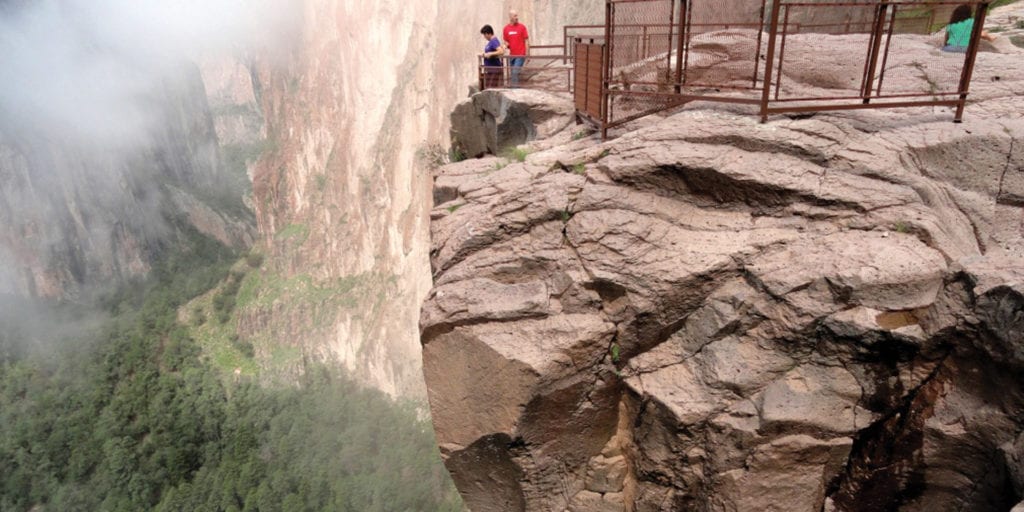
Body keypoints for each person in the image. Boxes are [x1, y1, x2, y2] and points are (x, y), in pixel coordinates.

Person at [503, 10, 529, 87]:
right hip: (512, 55)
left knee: (515, 72)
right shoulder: (506, 29)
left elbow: (526, 41)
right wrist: (505, 45)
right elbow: (506, 41)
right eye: (515, 16)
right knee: (513, 73)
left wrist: (527, 54)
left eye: (517, 15)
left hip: (521, 54)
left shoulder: (522, 27)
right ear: (510, 17)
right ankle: (515, 88)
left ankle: (515, 91)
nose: (517, 18)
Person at [480, 25, 504, 89]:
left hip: (494, 69)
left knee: (491, 88)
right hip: (490, 70)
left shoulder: (494, 41)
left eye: (484, 35)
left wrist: (490, 54)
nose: (484, 37)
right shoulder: (490, 42)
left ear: (488, 33)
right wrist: (485, 54)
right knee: (488, 87)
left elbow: (501, 51)